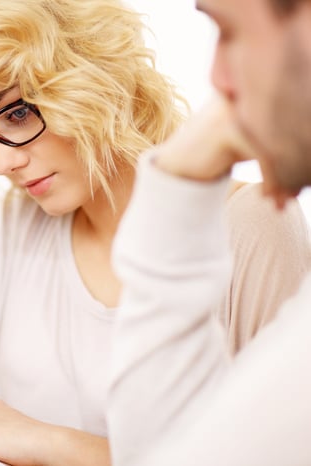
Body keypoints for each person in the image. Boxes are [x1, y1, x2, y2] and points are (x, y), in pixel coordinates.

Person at [0, 0, 310, 464]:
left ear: (90, 75)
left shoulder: (250, 227)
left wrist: (49, 444)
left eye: (17, 113)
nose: (4, 163)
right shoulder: (15, 230)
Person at [108, 0, 311, 465]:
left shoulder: (255, 220)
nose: (218, 79)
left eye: (229, 31)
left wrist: (174, 186)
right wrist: (181, 175)